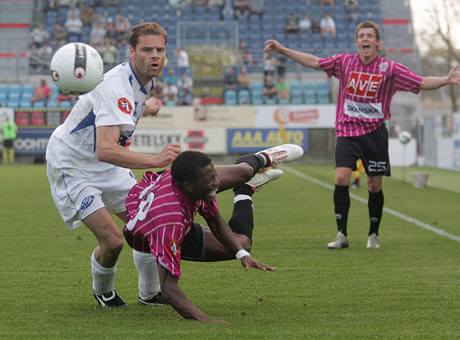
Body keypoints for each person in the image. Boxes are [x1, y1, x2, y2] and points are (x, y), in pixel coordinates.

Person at [264, 20, 460, 249]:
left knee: (374, 185)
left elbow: (421, 82)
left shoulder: (390, 69)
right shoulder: (344, 62)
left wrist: (446, 80)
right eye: (361, 36)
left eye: (370, 36)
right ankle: (341, 234)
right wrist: (282, 50)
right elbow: (315, 62)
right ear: (357, 42)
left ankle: (373, 234)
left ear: (378, 43)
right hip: (347, 131)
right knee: (341, 178)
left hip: (375, 133)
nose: (365, 39)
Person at [46, 22, 181, 308]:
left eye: (160, 50)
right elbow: (105, 150)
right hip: (73, 165)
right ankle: (103, 291)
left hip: (107, 165)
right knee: (113, 241)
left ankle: (150, 293)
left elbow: (122, 117)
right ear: (131, 52)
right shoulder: (114, 86)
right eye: (147, 50)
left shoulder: (144, 80)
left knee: (145, 228)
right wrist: (155, 160)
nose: (154, 56)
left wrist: (147, 106)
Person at [123, 149, 302, 322]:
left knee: (244, 172)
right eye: (210, 179)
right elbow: (168, 287)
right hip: (153, 232)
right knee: (242, 242)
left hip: (162, 206)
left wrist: (241, 254)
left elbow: (214, 219)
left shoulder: (189, 183)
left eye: (214, 175)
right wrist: (204, 319)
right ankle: (245, 190)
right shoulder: (171, 223)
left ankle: (265, 157)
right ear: (189, 186)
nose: (216, 182)